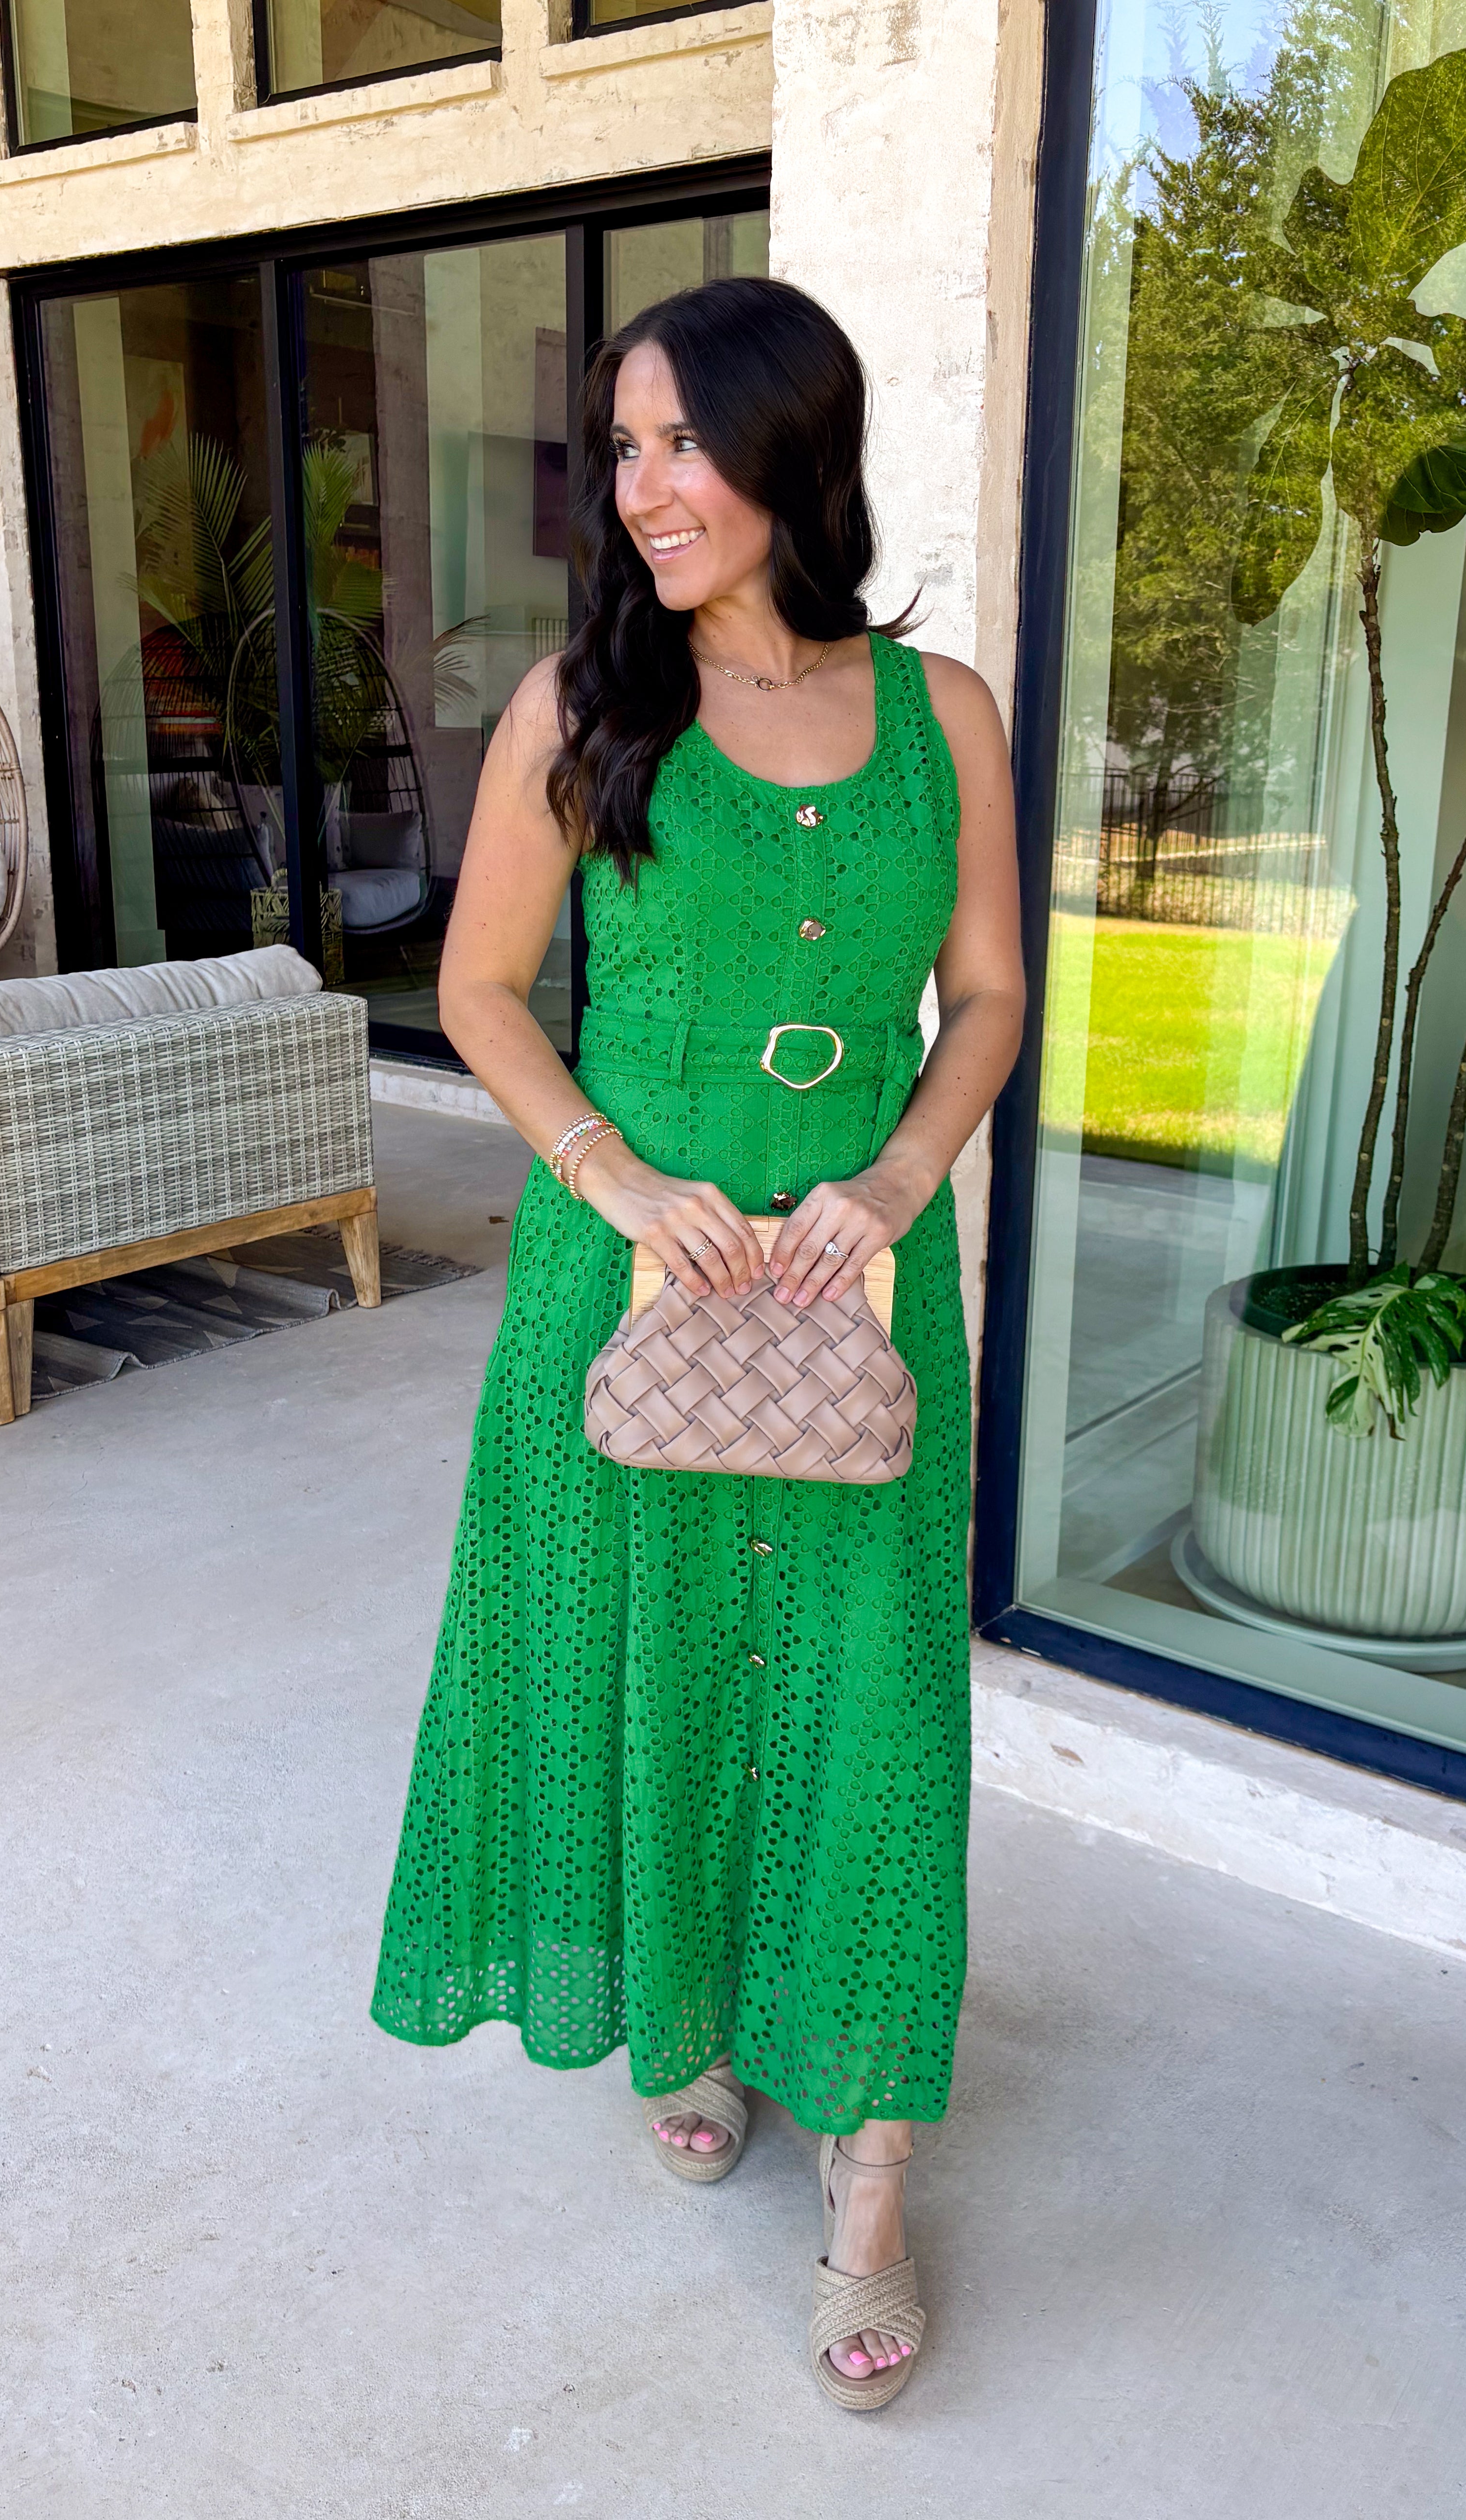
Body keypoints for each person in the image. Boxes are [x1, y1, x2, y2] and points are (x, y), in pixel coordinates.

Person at [371, 274, 1024, 2410]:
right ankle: (695, 2023)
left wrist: (899, 1175)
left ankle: (869, 2184)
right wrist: (607, 1174)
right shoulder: (578, 708)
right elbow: (476, 990)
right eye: (617, 447)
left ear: (788, 452)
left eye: (675, 443)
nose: (638, 488)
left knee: (870, 1706)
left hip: (850, 1282)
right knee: (656, 1671)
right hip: (627, 1285)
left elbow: (991, 996)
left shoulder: (943, 711)